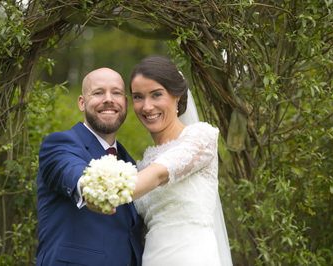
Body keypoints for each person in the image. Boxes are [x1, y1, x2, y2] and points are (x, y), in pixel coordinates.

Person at [128, 55, 233, 266]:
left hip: (192, 256)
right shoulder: (143, 162)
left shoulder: (200, 137)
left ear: (177, 96)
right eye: (138, 97)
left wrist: (105, 190)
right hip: (152, 258)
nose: (146, 106)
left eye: (156, 95)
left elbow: (159, 173)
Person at [36, 68, 144, 266]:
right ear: (81, 102)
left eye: (116, 92)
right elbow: (73, 172)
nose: (109, 99)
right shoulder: (60, 144)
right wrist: (89, 189)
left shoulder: (131, 163)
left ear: (126, 103)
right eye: (98, 92)